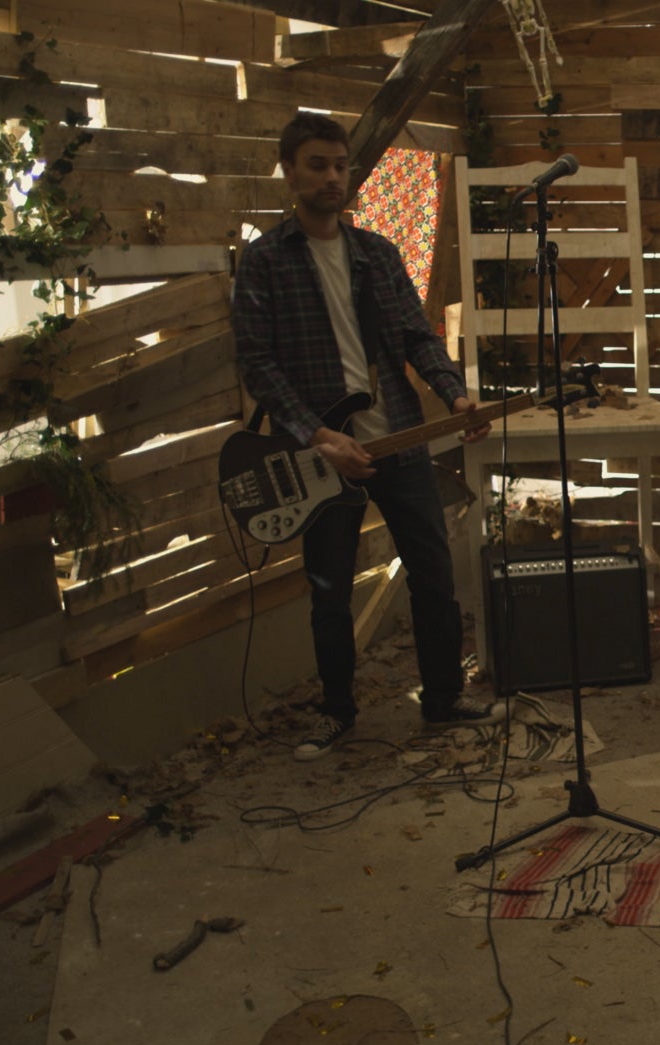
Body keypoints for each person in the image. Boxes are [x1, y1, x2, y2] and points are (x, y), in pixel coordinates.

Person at [231, 112, 494, 762]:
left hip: (398, 439)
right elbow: (258, 366)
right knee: (329, 596)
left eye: (339, 165)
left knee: (433, 577)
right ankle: (337, 713)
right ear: (289, 170)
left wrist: (455, 393)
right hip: (323, 457)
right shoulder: (264, 262)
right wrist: (317, 435)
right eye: (316, 164)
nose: (330, 177)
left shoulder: (375, 254)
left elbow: (415, 335)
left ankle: (440, 701)